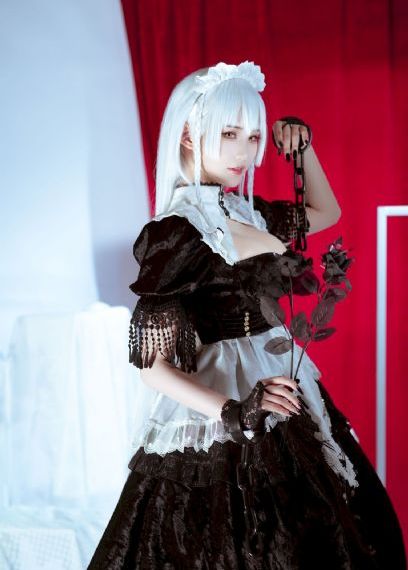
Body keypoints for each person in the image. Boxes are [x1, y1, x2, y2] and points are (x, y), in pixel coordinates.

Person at [88, 62, 406, 569]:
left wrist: (302, 149)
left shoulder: (246, 211)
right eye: (230, 134)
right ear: (188, 136)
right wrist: (232, 413)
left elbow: (326, 213)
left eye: (254, 137)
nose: (245, 151)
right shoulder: (174, 233)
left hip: (281, 386)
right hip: (223, 401)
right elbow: (152, 368)